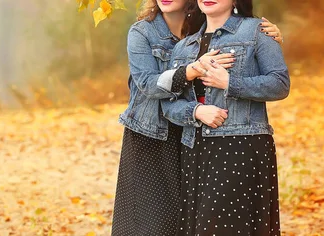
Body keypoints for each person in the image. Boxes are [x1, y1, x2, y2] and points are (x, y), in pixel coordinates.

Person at [112, 0, 283, 234]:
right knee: (150, 224)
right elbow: (148, 84)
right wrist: (193, 70)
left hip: (193, 138)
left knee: (190, 225)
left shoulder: (204, 23)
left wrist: (267, 37)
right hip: (153, 135)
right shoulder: (143, 32)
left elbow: (262, 65)